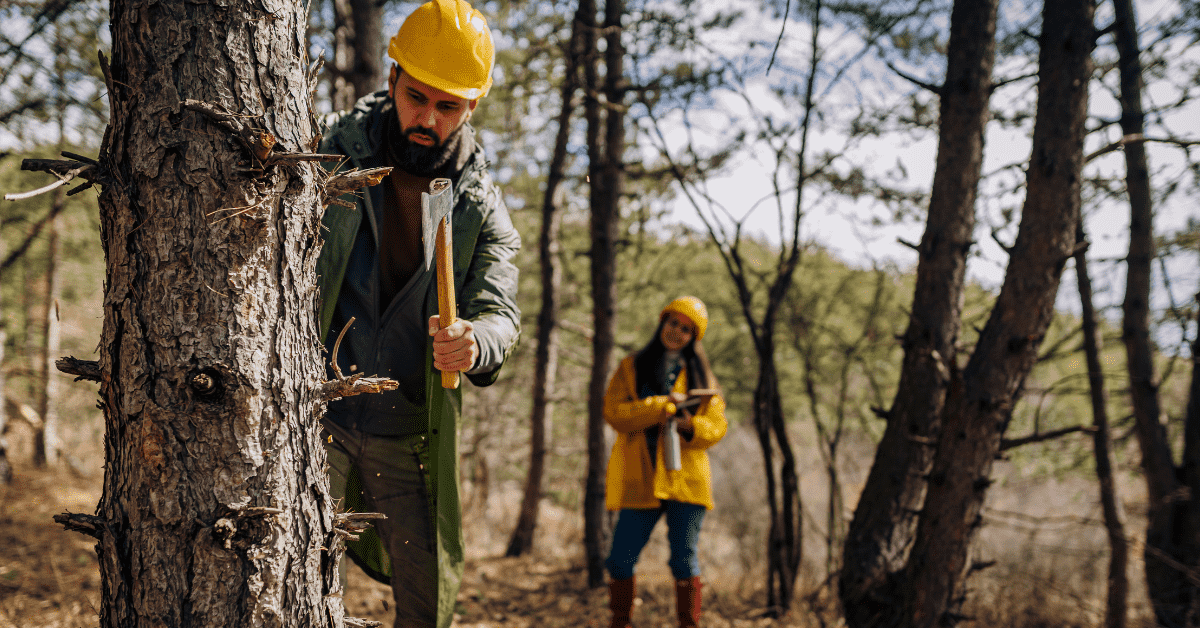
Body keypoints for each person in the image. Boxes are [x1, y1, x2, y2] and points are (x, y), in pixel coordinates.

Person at [313, 0, 520, 626]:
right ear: (393, 80)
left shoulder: (481, 206)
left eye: (447, 105)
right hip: (312, 418)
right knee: (289, 579)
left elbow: (500, 312)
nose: (426, 118)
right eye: (416, 97)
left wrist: (474, 342)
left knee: (429, 603)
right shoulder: (328, 153)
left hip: (409, 436)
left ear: (471, 108)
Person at [603, 296, 728, 628]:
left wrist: (691, 426)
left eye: (686, 329)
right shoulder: (631, 367)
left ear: (694, 337)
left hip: (686, 480)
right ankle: (620, 622)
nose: (677, 332)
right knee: (620, 559)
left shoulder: (703, 377)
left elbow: (717, 427)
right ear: (663, 322)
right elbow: (615, 414)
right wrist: (661, 406)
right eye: (674, 323)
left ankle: (690, 624)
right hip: (640, 477)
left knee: (684, 560)